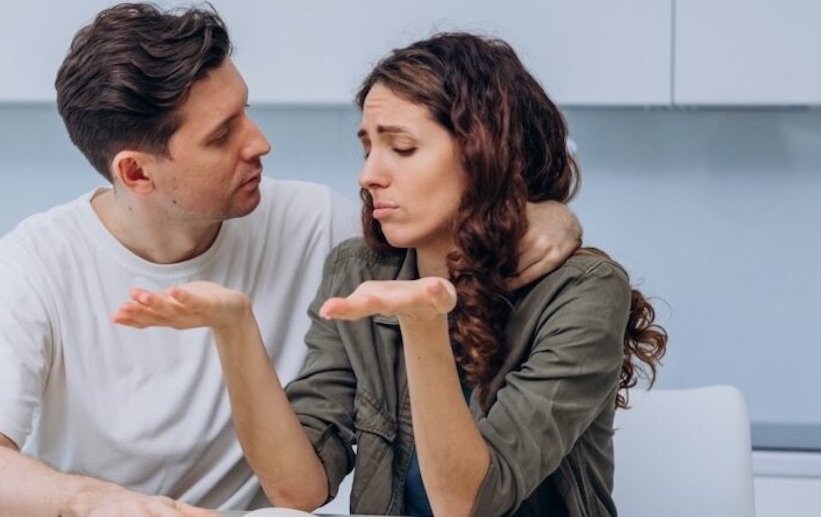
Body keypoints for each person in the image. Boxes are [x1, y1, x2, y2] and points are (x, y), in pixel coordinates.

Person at [0, 5, 583, 517]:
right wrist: (97, 503)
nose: (260, 142)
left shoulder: (315, 225)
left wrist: (546, 212)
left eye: (245, 110)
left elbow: (449, 217)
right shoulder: (34, 264)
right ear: (136, 172)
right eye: (223, 135)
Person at [114, 32, 669, 516]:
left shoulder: (581, 292)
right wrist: (234, 331)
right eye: (368, 147)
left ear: (485, 154)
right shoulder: (357, 269)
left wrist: (422, 322)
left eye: (401, 148)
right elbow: (297, 488)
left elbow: (469, 503)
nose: (369, 175)